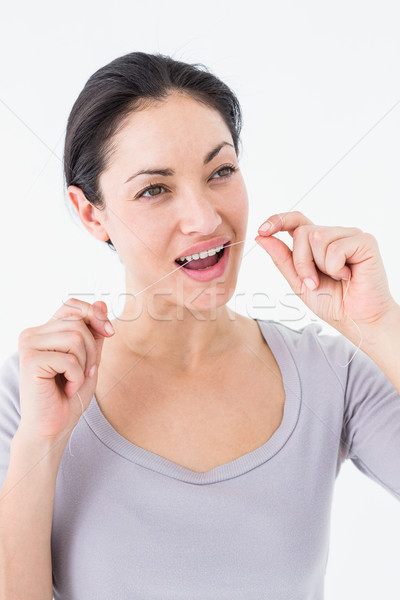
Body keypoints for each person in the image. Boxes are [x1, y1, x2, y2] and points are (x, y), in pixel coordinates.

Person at [0, 51, 399, 600]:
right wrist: (41, 444)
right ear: (92, 213)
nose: (206, 218)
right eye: (155, 189)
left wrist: (381, 326)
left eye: (221, 172)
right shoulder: (31, 392)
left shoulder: (334, 374)